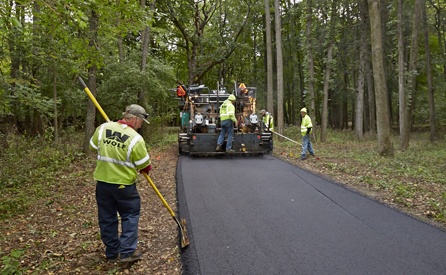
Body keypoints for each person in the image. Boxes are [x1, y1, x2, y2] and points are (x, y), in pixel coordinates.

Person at [89, 104, 152, 263]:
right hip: (124, 186)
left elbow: (93, 146)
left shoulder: (103, 128)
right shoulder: (135, 138)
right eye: (141, 121)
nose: (141, 125)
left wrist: (110, 144)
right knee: (130, 215)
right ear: (135, 119)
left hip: (103, 183)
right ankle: (127, 252)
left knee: (107, 217)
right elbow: (145, 166)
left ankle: (112, 253)